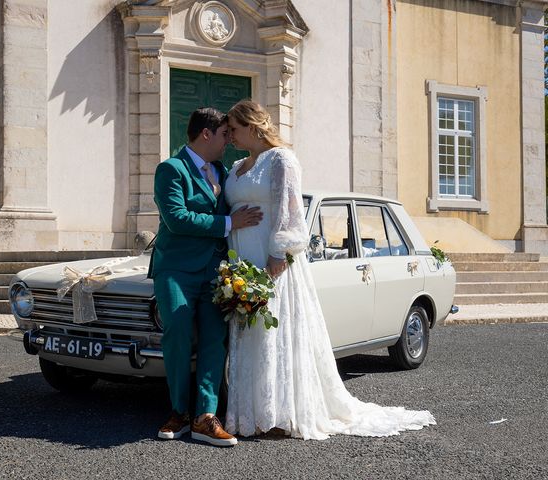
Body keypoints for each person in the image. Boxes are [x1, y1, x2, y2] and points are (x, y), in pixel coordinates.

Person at [223, 100, 436, 439]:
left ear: (252, 126)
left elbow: (289, 211)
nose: (229, 135)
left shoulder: (282, 160)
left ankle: (281, 414)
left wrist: (277, 257)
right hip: (240, 265)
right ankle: (253, 413)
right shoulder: (235, 167)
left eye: (234, 128)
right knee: (251, 336)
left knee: (274, 334)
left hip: (271, 263)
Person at [148, 107, 263, 447]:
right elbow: (177, 218)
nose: (230, 140)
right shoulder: (171, 169)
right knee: (178, 332)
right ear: (206, 134)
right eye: (226, 134)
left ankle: (205, 417)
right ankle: (179, 411)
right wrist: (229, 224)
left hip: (215, 272)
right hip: (176, 269)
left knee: (216, 339)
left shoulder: (222, 170)